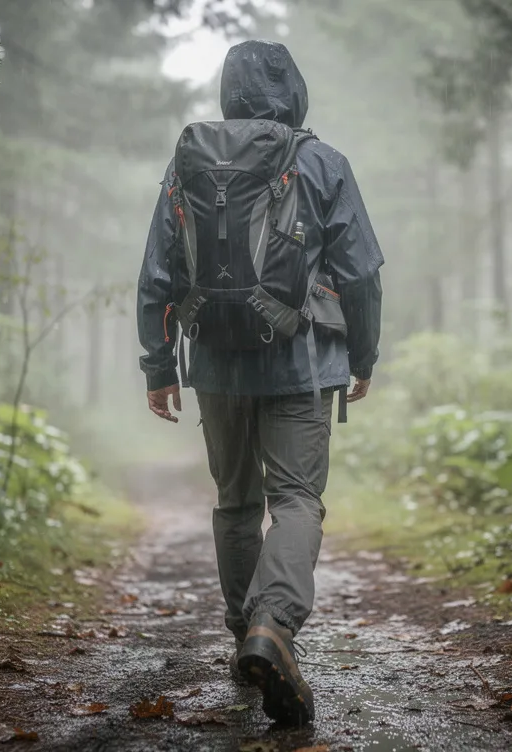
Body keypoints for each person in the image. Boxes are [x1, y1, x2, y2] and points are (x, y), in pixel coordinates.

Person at [135, 39, 384, 726]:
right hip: (302, 360)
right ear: (295, 90)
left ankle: (245, 627)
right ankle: (272, 625)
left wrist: (159, 365)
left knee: (236, 501)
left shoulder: (188, 159)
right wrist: (363, 355)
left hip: (213, 359)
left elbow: (158, 268)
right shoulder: (322, 161)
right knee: (298, 499)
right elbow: (361, 274)